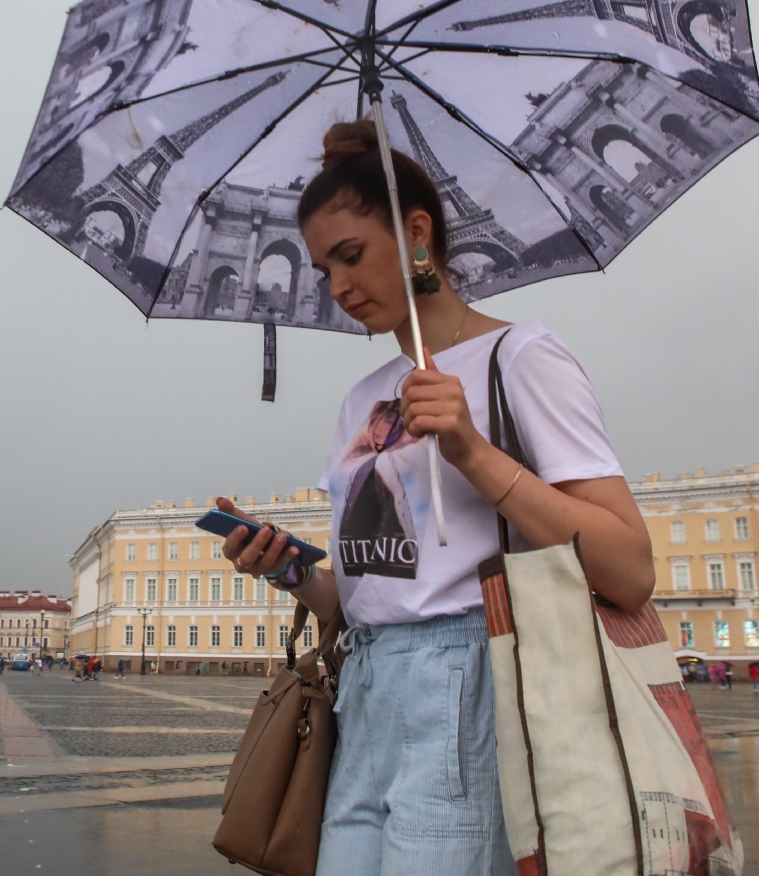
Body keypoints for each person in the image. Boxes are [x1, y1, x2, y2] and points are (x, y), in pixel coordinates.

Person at [216, 120, 655, 876]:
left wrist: (473, 453)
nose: (337, 288)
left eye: (351, 256)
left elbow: (630, 567)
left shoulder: (520, 358)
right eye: (324, 269)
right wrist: (287, 568)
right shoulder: (360, 400)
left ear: (417, 233)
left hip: (466, 689)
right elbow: (365, 602)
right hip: (365, 694)